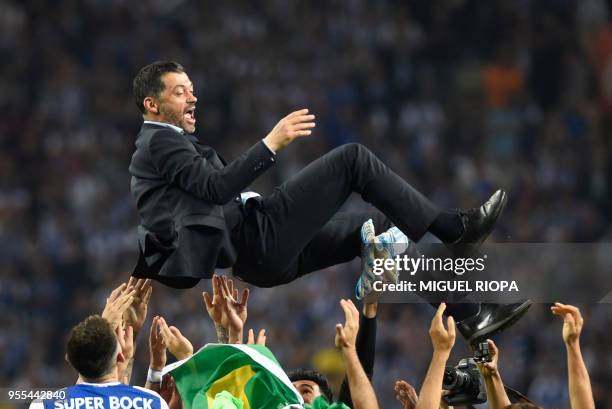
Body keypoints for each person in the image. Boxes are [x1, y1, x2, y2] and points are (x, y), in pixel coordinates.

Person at [129, 61, 529, 342]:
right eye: (180, 92)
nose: (192, 98)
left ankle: (472, 316)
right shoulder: (159, 139)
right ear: (152, 104)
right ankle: (453, 229)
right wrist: (271, 143)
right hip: (258, 235)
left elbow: (206, 196)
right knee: (352, 159)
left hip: (259, 254)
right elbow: (215, 189)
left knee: (379, 234)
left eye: (192, 90)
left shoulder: (166, 144)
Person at [30, 315, 168, 409]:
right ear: (120, 357)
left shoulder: (45, 404)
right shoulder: (153, 402)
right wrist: (155, 370)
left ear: (69, 360)